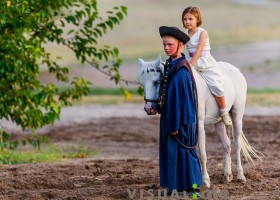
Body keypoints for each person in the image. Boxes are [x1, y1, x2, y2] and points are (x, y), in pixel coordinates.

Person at [158, 26, 203, 196]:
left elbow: (179, 102)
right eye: (164, 45)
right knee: (172, 152)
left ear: (180, 46)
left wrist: (174, 125)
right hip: (170, 118)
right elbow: (165, 92)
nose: (166, 48)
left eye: (170, 44)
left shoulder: (182, 70)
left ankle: (193, 188)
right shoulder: (170, 64)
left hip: (180, 121)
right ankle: (175, 186)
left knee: (185, 152)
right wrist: (158, 107)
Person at [182, 6, 232, 126]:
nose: (187, 22)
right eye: (184, 19)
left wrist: (190, 64)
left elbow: (199, 50)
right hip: (191, 61)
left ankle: (224, 112)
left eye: (190, 19)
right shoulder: (183, 34)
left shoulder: (202, 33)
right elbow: (181, 49)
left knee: (216, 84)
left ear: (197, 19)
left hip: (204, 62)